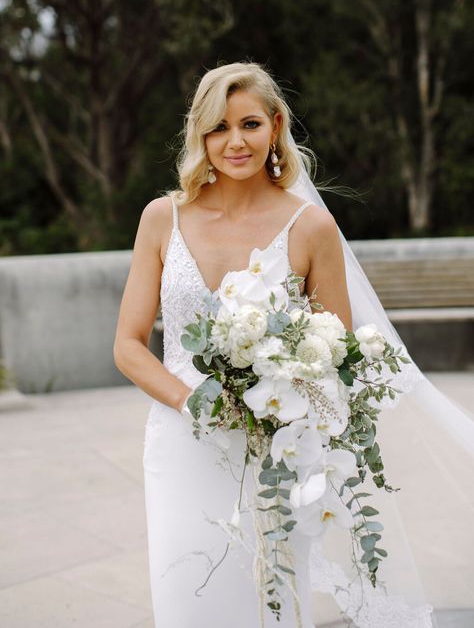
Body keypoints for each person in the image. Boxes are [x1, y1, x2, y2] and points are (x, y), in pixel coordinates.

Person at [114, 62, 474, 628]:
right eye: (218, 127)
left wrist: (283, 394)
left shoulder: (310, 229)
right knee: (187, 598)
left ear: (276, 126)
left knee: (273, 600)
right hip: (182, 444)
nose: (235, 141)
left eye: (250, 124)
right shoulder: (162, 219)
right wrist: (194, 403)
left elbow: (335, 355)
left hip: (280, 451)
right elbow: (129, 346)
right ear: (200, 135)